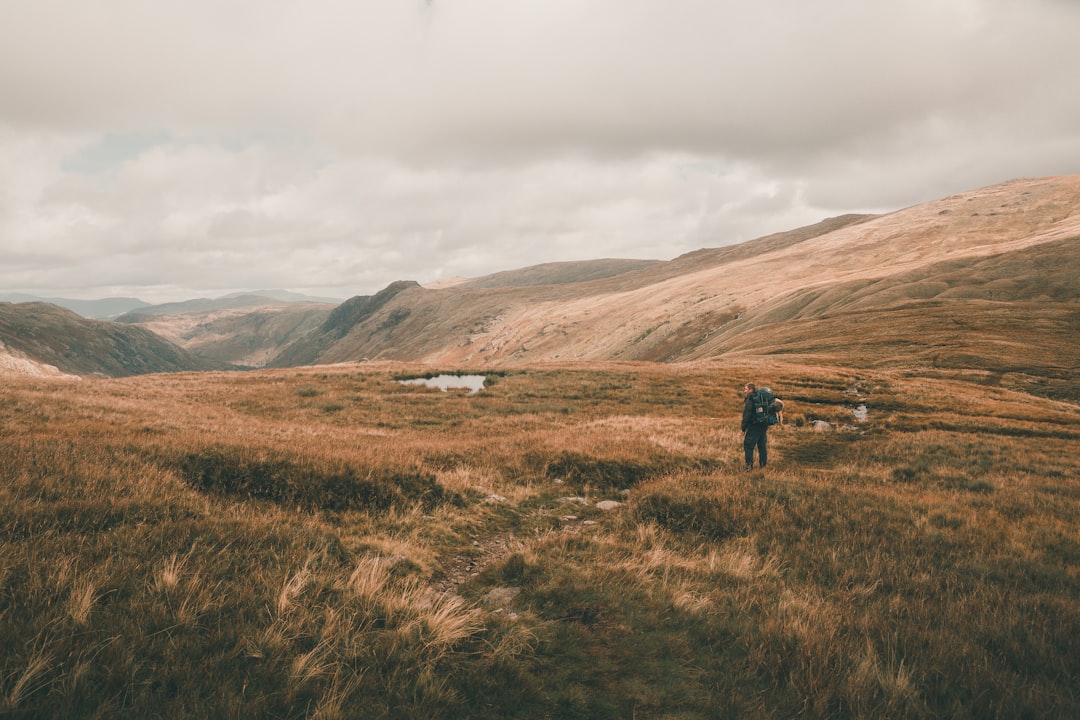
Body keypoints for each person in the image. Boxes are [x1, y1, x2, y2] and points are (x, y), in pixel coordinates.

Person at [741, 383, 768, 471]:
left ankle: (748, 467)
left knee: (748, 445)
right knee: (762, 446)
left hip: (754, 426)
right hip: (763, 425)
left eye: (746, 389)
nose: (744, 391)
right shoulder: (761, 398)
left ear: (751, 390)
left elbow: (747, 415)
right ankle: (763, 465)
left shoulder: (751, 400)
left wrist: (743, 428)